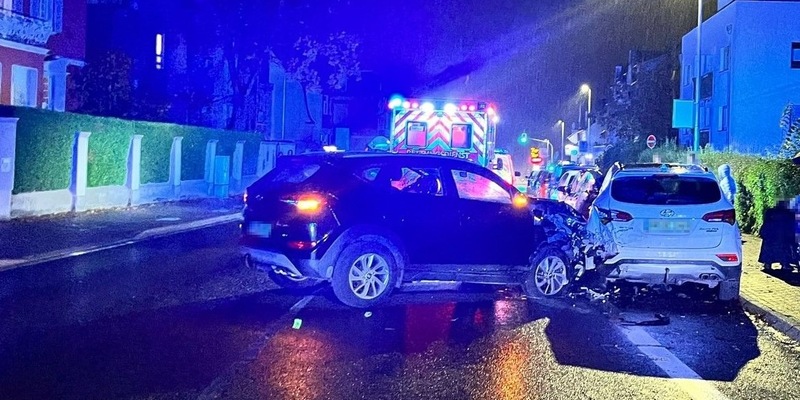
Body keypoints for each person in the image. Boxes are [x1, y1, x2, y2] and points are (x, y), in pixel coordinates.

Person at [759, 200, 796, 271]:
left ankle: (767, 264)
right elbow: (792, 225)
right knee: (784, 249)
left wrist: (763, 232)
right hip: (783, 236)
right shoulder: (788, 213)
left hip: (770, 235)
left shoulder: (770, 212)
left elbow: (766, 222)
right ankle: (785, 265)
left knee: (768, 249)